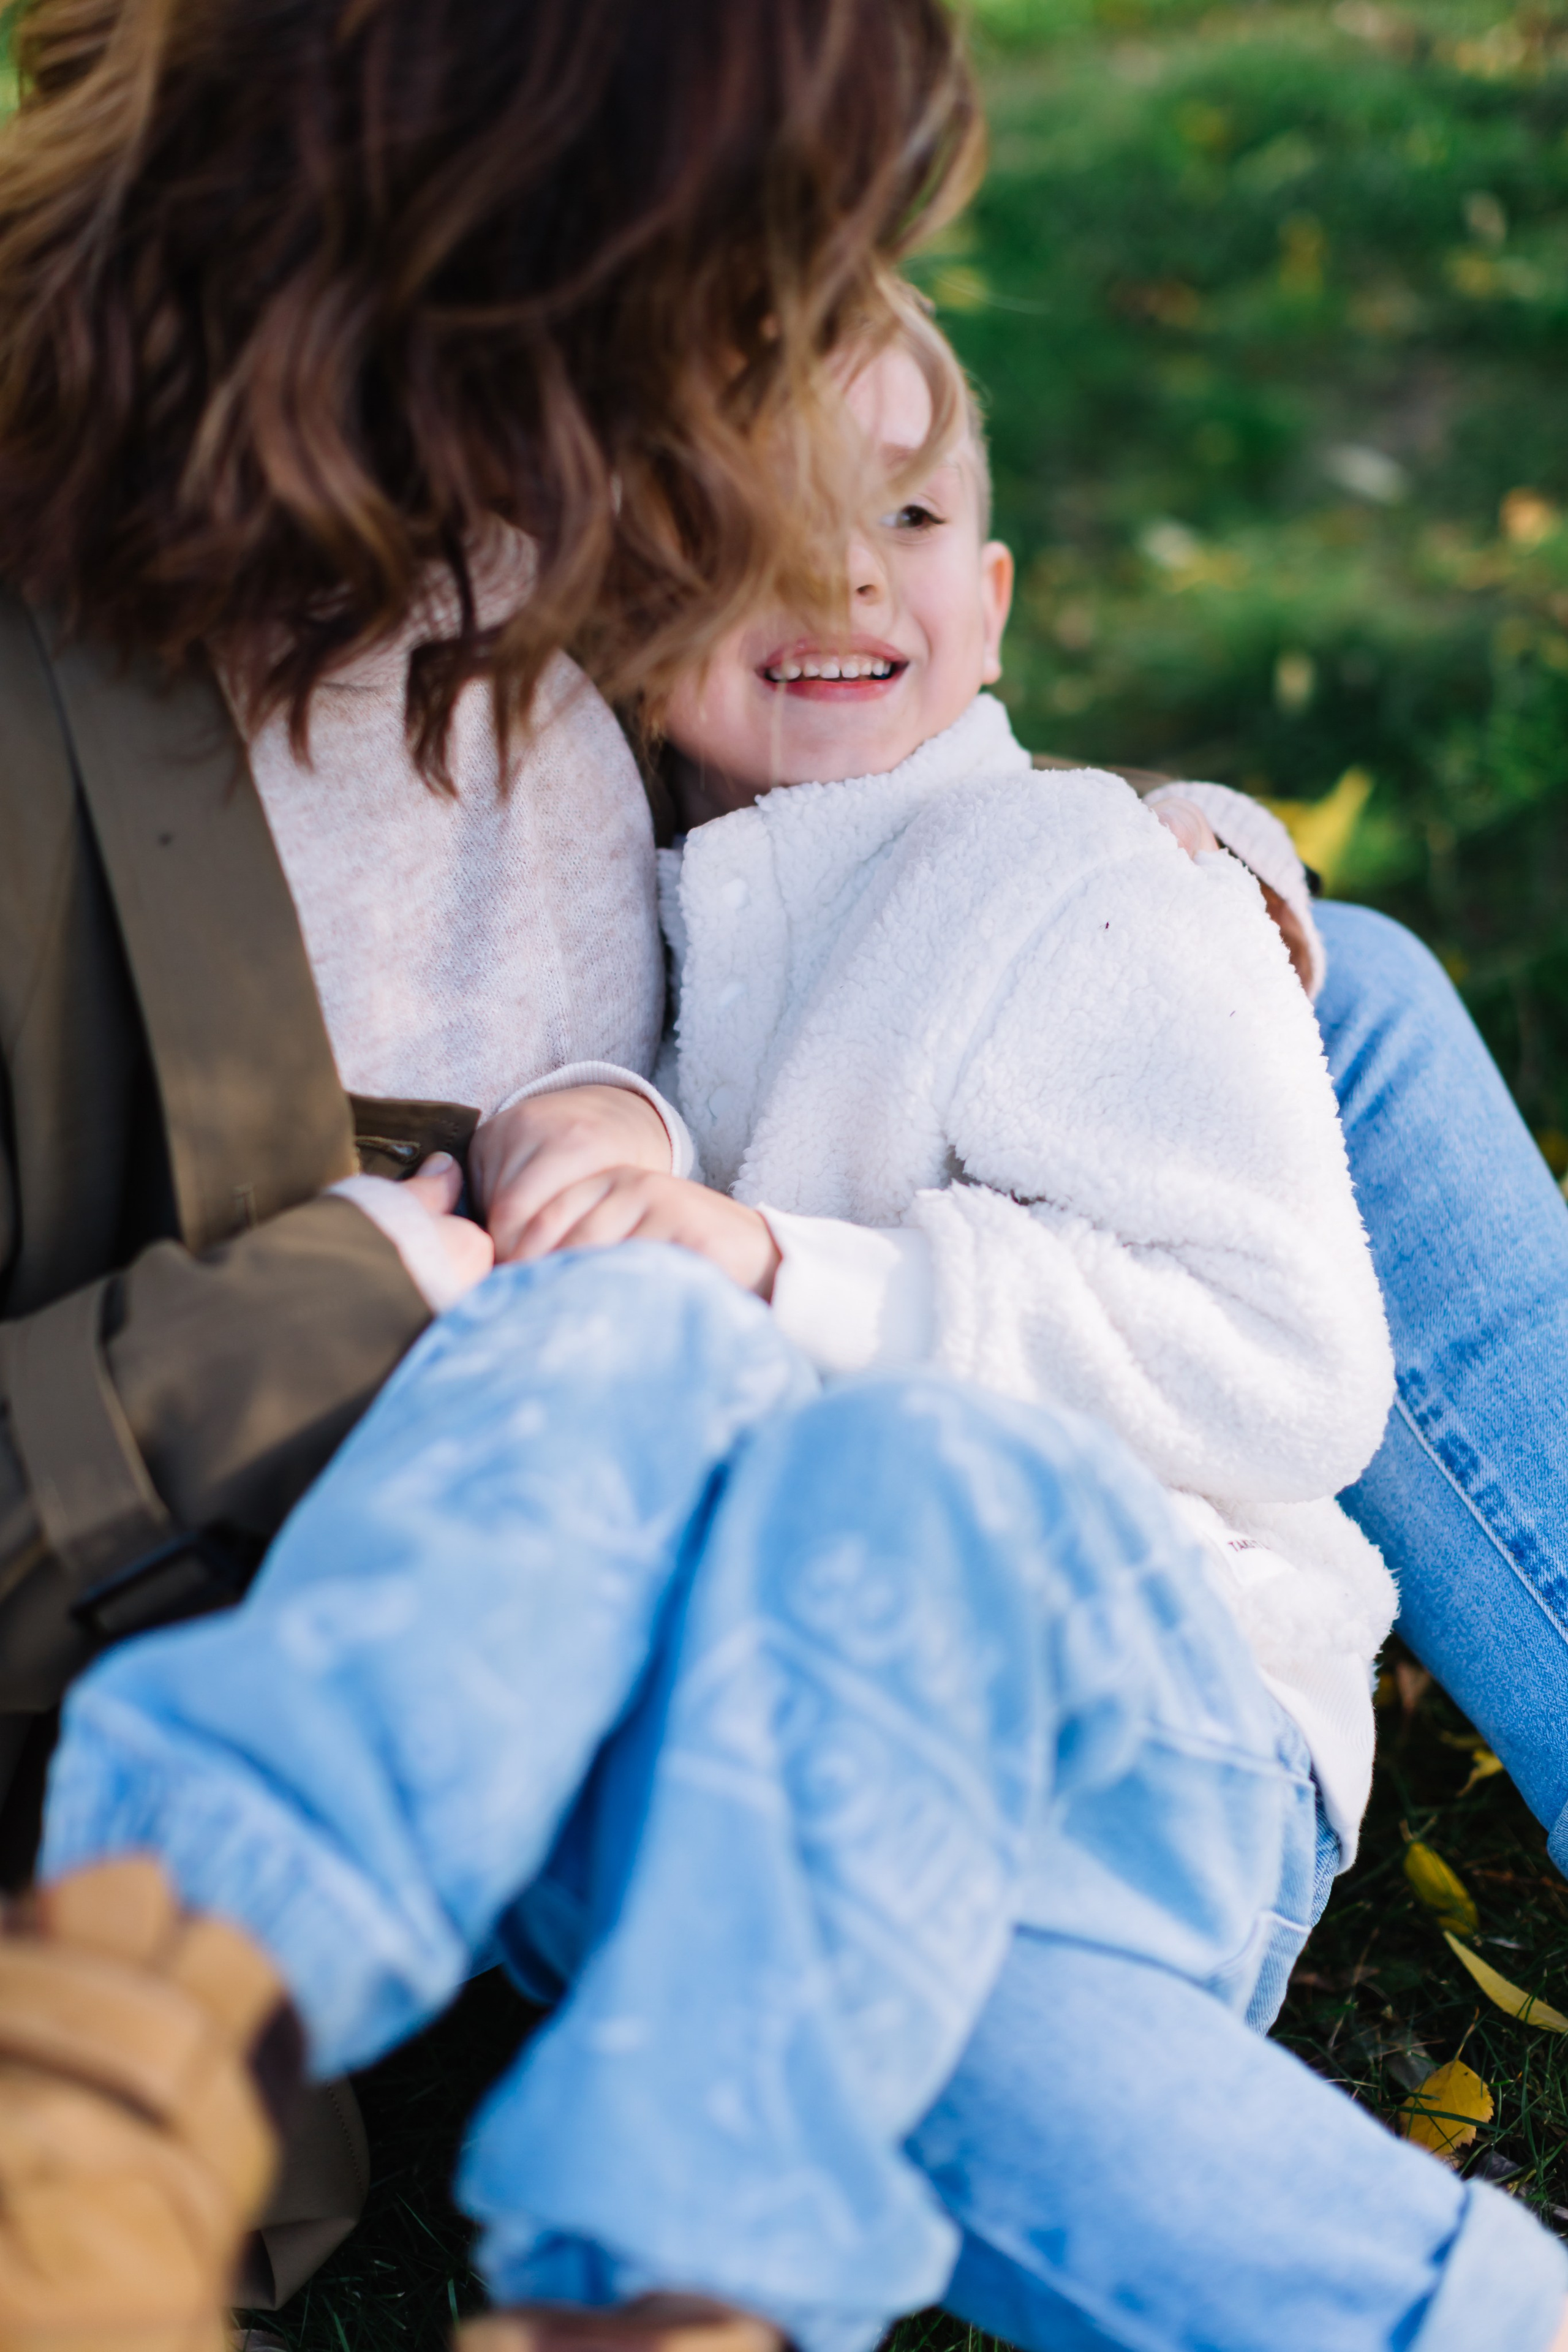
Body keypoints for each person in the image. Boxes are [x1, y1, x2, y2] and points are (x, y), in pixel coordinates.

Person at [14, 313, 1568, 2352]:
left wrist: (766, 1254)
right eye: (751, 528)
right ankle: (235, 2058)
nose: (835, 568)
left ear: (992, 601)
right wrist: (615, 1126)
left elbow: (1286, 1365)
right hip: (799, 1713)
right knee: (615, 1387)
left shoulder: (1078, 883)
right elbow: (765, 1054)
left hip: (1133, 1686)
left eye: (902, 523)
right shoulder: (694, 883)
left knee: (854, 1449)